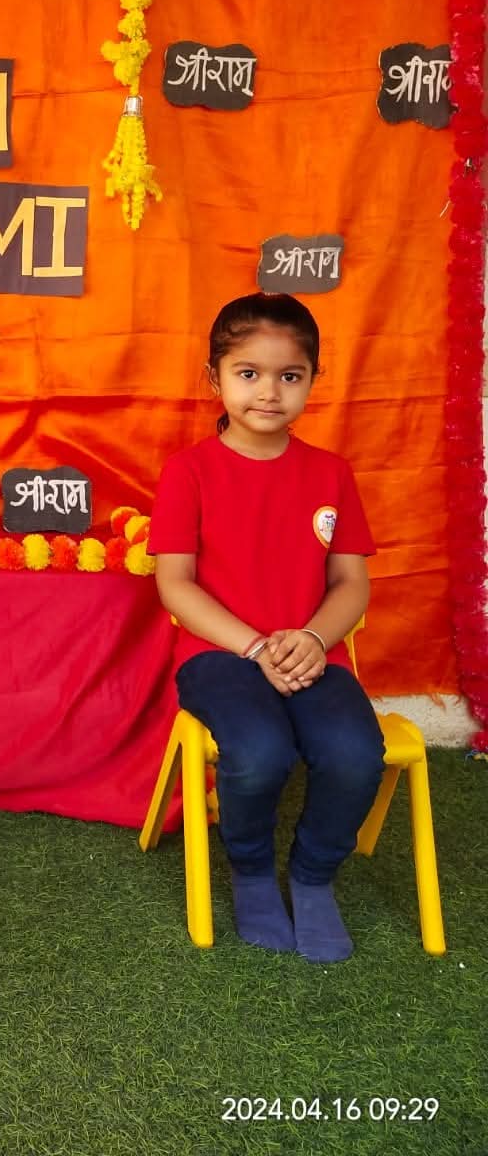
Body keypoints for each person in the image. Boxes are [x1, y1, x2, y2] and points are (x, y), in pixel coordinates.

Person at [147, 292, 384, 963]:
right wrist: (253, 646)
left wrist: (311, 639)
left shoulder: (330, 474)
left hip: (313, 656)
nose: (270, 392)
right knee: (259, 754)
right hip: (220, 657)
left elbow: (350, 586)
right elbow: (175, 583)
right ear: (214, 378)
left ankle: (312, 878)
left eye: (290, 375)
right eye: (248, 373)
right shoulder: (188, 471)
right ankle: (251, 871)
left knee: (353, 755)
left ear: (313, 379)